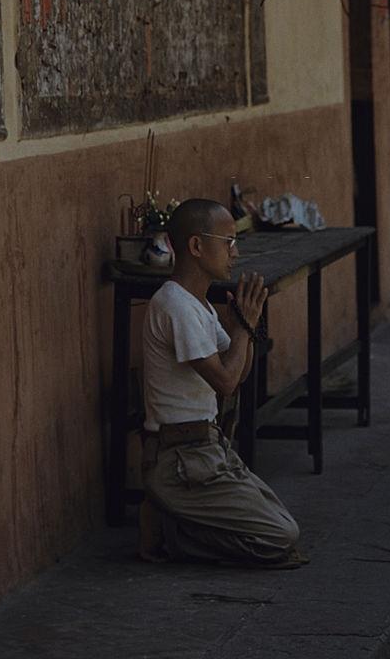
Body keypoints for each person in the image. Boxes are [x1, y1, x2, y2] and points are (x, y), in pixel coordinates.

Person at [139, 197, 306, 568]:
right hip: (179, 459)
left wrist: (242, 328)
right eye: (227, 242)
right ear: (197, 246)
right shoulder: (175, 306)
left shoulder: (200, 305)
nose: (235, 252)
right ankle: (173, 536)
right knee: (280, 538)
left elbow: (238, 373)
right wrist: (245, 328)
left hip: (208, 450)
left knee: (281, 526)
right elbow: (227, 384)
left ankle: (175, 524)